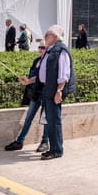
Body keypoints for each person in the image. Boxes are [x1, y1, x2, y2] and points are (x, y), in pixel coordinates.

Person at [5, 43, 50, 154]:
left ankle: (45, 142)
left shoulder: (48, 62)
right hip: (35, 94)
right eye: (39, 47)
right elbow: (33, 75)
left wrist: (29, 81)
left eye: (43, 47)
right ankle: (20, 141)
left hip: (45, 94)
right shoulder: (36, 61)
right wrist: (26, 80)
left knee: (45, 120)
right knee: (28, 118)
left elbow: (42, 77)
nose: (40, 49)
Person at [38, 25, 74, 160]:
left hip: (54, 90)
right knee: (50, 120)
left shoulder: (61, 51)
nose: (45, 37)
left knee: (54, 121)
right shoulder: (50, 50)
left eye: (48, 35)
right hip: (48, 89)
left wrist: (59, 91)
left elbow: (64, 73)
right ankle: (53, 148)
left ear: (55, 37)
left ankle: (57, 150)